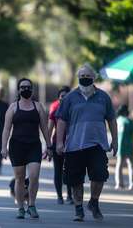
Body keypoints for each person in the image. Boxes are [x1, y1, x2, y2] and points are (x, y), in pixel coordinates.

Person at [56, 63, 118, 222]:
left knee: (99, 175)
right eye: (81, 76)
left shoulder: (103, 97)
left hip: (97, 145)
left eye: (87, 76)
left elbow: (111, 119)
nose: (84, 79)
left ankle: (94, 201)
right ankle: (78, 209)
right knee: (75, 179)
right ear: (78, 78)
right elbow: (61, 120)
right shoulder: (70, 98)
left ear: (94, 78)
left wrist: (115, 141)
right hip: (74, 145)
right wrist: (59, 143)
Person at [1, 78, 51, 219]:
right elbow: (6, 129)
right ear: (19, 90)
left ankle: (32, 205)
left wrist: (49, 145)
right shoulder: (13, 107)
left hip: (34, 145)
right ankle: (20, 208)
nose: (25, 89)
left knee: (34, 176)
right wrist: (4, 147)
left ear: (32, 89)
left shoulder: (38, 107)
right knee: (20, 178)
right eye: (22, 87)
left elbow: (44, 128)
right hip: (17, 146)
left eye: (28, 87)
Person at [48, 86, 73, 204]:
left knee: (69, 170)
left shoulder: (74, 108)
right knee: (58, 170)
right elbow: (50, 127)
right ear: (58, 98)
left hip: (72, 144)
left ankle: (70, 195)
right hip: (56, 143)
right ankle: (59, 196)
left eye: (66, 96)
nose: (64, 98)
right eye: (62, 96)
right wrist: (48, 146)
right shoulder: (55, 108)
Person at [115, 105, 133, 190]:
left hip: (120, 146)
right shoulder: (127, 121)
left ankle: (119, 184)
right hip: (129, 147)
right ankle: (132, 184)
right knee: (131, 166)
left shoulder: (118, 121)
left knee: (119, 166)